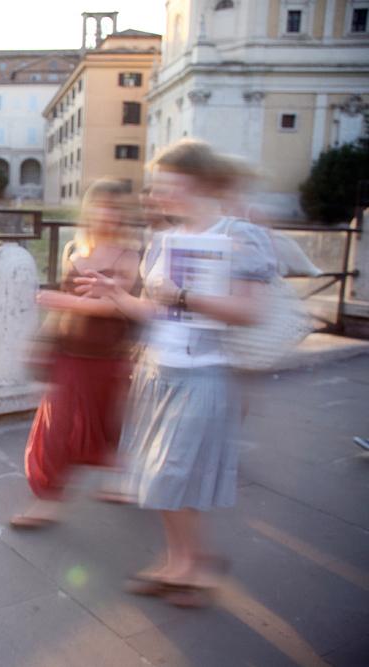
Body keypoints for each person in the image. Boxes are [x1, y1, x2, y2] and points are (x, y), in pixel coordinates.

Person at [75, 139, 276, 607]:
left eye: (167, 185)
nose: (156, 195)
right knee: (155, 474)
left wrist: (184, 298)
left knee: (173, 474)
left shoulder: (240, 236)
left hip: (203, 374)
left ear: (197, 183)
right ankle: (179, 561)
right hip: (157, 371)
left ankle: (196, 566)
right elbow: (154, 311)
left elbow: (250, 311)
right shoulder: (165, 239)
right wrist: (115, 294)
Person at [11, 180, 140, 528]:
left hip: (108, 357)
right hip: (70, 353)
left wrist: (57, 299)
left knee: (105, 427)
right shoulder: (76, 251)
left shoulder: (130, 256)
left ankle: (123, 475)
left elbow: (112, 308)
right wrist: (45, 339)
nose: (107, 214)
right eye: (101, 206)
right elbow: (64, 312)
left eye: (115, 208)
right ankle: (47, 501)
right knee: (56, 428)